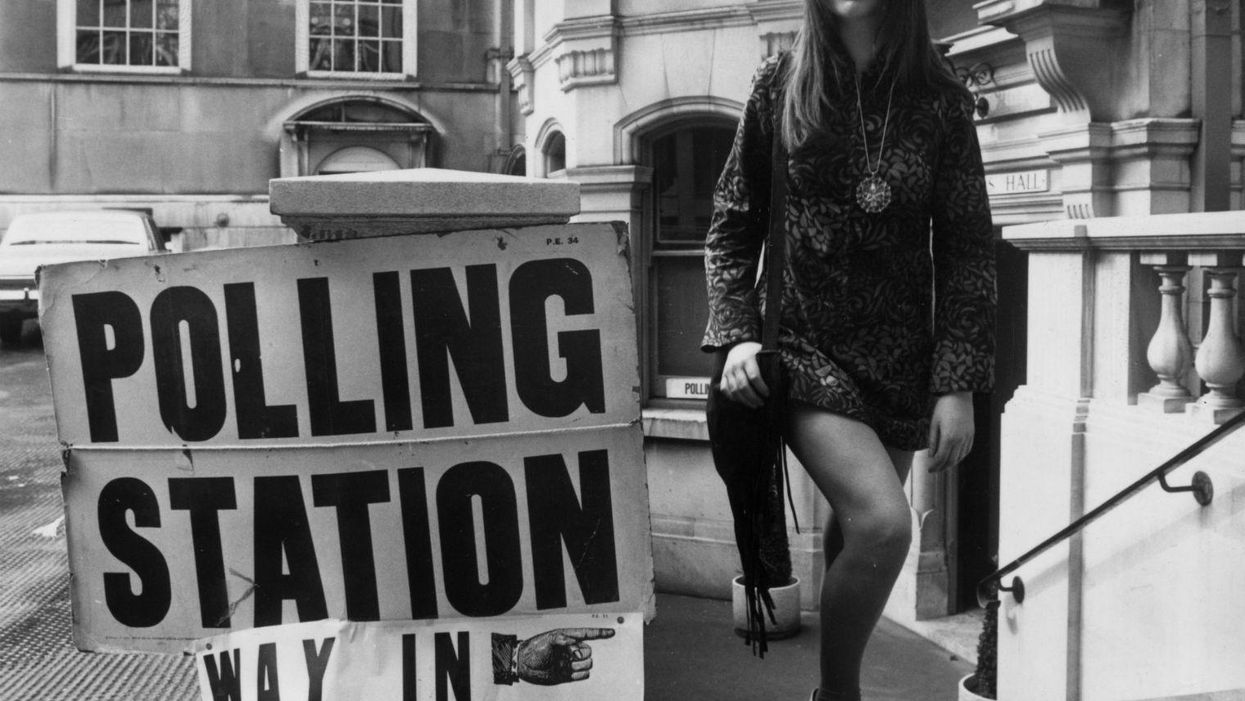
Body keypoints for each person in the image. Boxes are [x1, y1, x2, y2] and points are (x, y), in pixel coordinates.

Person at [701, 1, 996, 699]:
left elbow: (966, 249)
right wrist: (737, 332)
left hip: (899, 359)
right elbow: (730, 224)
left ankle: (838, 682)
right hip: (800, 349)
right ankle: (838, 696)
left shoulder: (940, 99)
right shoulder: (781, 82)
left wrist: (956, 382)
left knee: (855, 527)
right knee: (886, 524)